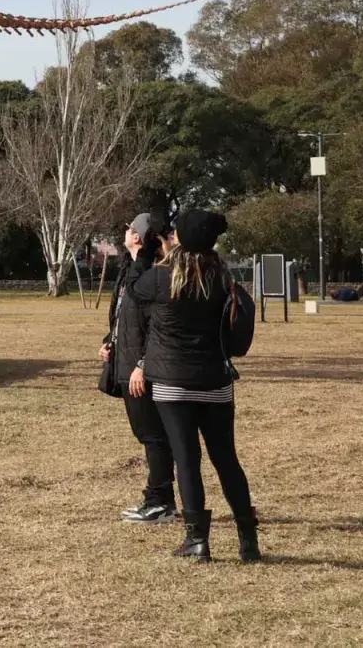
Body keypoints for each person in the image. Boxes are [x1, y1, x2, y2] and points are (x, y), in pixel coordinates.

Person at [129, 209, 260, 562]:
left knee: (187, 460)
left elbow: (134, 290)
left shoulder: (160, 278)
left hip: (172, 385)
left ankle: (197, 540)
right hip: (215, 380)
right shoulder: (223, 277)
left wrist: (145, 253)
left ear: (181, 239)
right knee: (226, 459)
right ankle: (248, 539)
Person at [100, 213, 175, 524]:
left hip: (141, 370)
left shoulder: (147, 274)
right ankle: (160, 499)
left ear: (139, 239)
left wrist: (142, 364)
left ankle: (160, 502)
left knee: (153, 435)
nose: (126, 231)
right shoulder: (129, 270)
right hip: (127, 361)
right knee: (147, 433)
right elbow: (124, 317)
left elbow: (155, 326)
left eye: (130, 229)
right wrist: (109, 342)